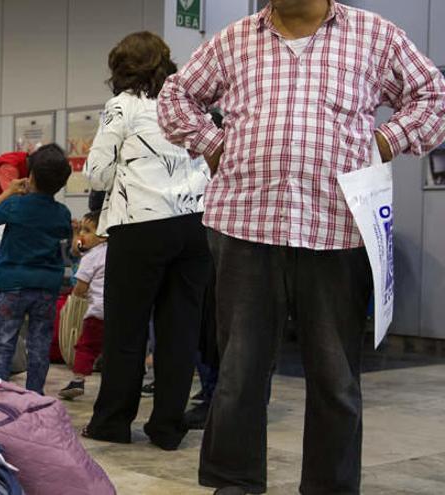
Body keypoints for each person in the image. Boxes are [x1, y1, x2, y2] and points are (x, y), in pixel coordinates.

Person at [156, 0, 445, 492]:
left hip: (338, 226)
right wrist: (214, 142)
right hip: (246, 222)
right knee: (240, 371)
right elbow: (176, 97)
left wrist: (385, 142)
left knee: (335, 377)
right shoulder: (234, 39)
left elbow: (432, 96)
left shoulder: (375, 35)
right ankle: (234, 482)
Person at [82, 31, 212, 451]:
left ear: (121, 68)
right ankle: (167, 428)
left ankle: (112, 423)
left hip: (139, 225)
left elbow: (97, 173)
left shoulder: (122, 105)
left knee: (127, 330)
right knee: (179, 332)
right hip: (194, 227)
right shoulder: (191, 106)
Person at [0, 143, 72, 395]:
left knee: (4, 342)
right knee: (40, 345)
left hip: (13, 286)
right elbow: (66, 242)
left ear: (29, 176)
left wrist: (9, 191)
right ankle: (33, 396)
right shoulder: (62, 213)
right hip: (46, 289)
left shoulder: (15, 206)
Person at [58, 210, 107, 400]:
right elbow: (78, 248)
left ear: (102, 235)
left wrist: (74, 301)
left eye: (87, 230)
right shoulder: (117, 252)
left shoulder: (91, 257)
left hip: (97, 312)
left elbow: (80, 288)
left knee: (86, 347)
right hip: (120, 312)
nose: (81, 235)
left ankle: (78, 380)